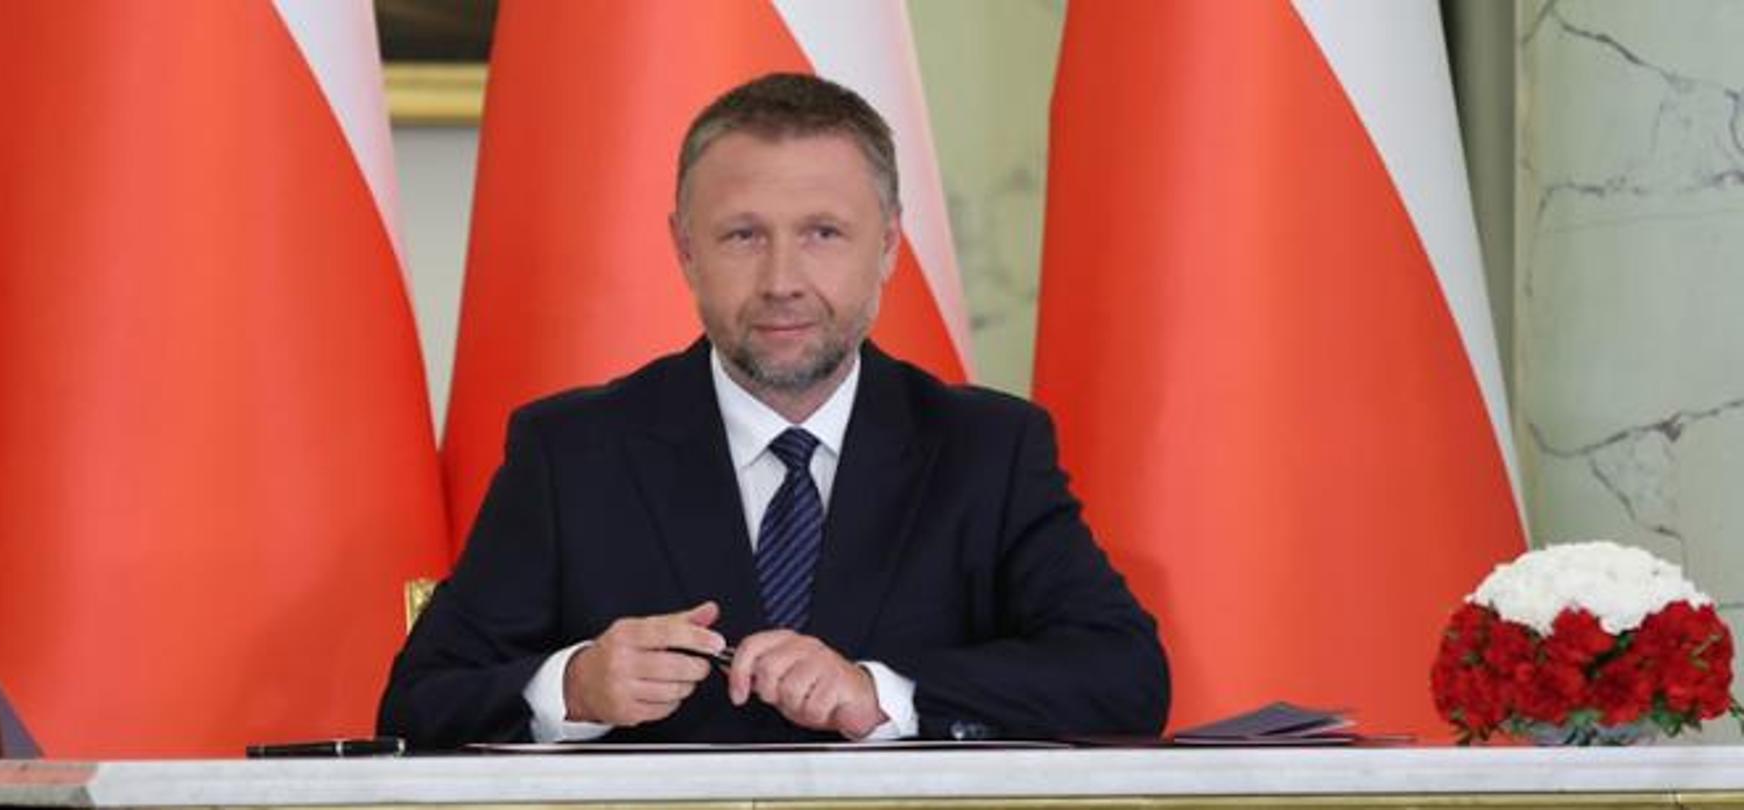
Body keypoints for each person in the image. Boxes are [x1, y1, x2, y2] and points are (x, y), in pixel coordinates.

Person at [378, 72, 1168, 745]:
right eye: (743, 236)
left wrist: (883, 693)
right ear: (685, 250)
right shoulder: (571, 451)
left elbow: (1122, 676)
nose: (782, 280)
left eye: (824, 232)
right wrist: (571, 689)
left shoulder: (987, 448)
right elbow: (417, 704)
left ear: (889, 246)